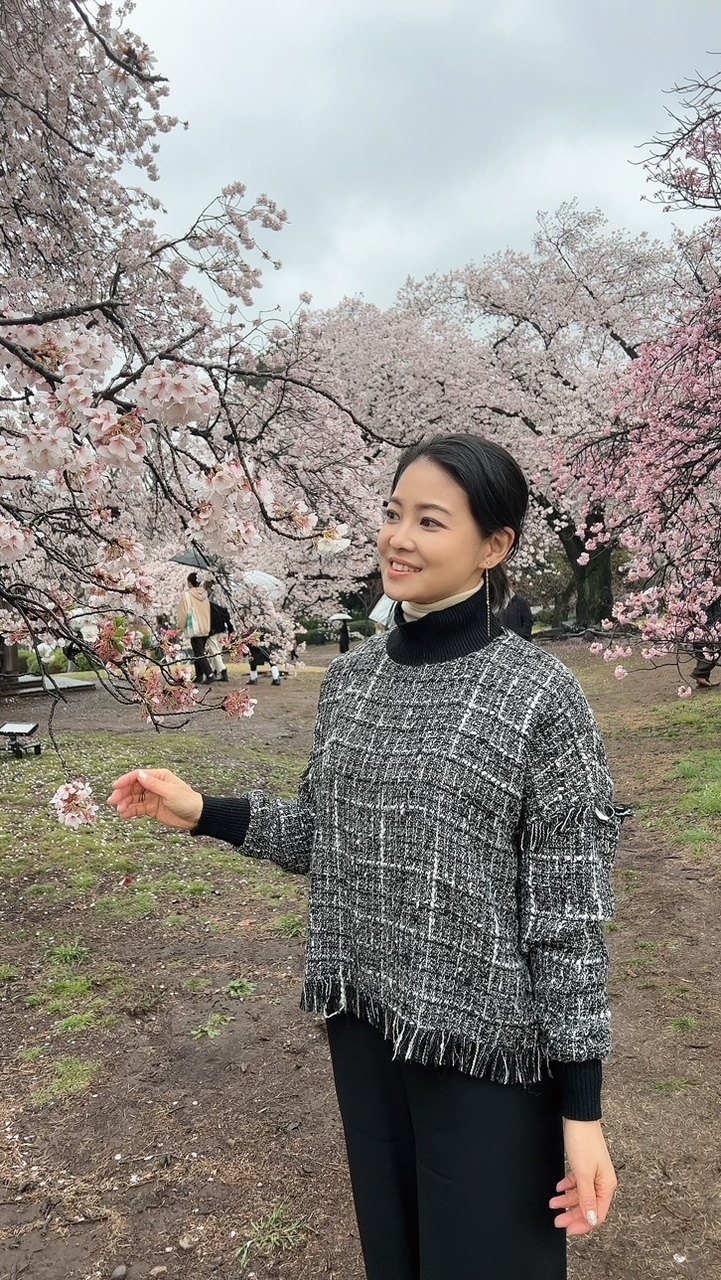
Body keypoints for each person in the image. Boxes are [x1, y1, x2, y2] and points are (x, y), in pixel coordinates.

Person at [109, 433, 623, 1280]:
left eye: (429, 520)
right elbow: (327, 837)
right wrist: (202, 811)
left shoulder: (539, 695)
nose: (398, 538)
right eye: (391, 514)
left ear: (493, 548)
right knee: (396, 1255)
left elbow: (566, 913)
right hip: (367, 1021)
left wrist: (581, 1106)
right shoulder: (350, 682)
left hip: (485, 1047)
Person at [176, 572, 213, 685]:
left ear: (190, 583)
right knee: (199, 652)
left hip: (195, 628)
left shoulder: (188, 595)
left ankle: (209, 673)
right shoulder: (205, 595)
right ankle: (199, 675)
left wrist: (180, 628)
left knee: (198, 652)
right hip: (205, 627)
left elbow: (183, 613)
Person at [690, 575, 721, 688]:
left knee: (702, 652)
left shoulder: (702, 587)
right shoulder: (708, 590)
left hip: (699, 626)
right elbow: (705, 611)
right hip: (706, 625)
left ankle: (702, 680)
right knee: (714, 649)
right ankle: (699, 674)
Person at [202, 580, 233, 683]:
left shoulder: (208, 603)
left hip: (213, 631)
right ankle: (214, 671)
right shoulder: (221, 600)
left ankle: (223, 670)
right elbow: (227, 616)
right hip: (223, 630)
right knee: (217, 652)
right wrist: (230, 628)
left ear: (209, 589)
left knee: (215, 652)